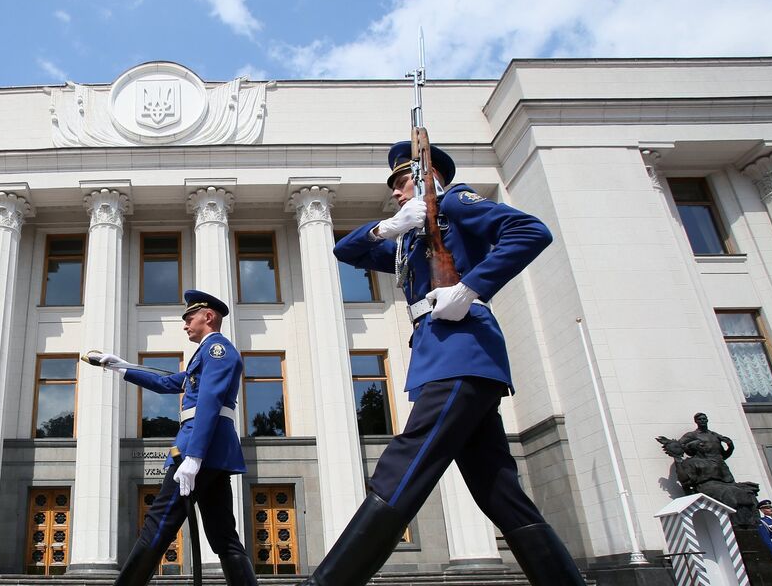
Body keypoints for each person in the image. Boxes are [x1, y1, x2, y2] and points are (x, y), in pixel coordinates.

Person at [304, 141, 584, 586]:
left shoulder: (455, 203)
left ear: (428, 176)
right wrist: (390, 227)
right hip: (443, 356)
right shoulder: (411, 235)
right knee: (500, 493)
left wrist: (470, 287)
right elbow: (346, 252)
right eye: (393, 186)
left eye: (402, 182)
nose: (396, 192)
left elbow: (531, 232)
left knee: (404, 462)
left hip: (462, 353)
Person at [96, 290, 258, 586]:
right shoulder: (205, 356)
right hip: (214, 452)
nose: (185, 325)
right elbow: (167, 382)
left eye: (189, 318)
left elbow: (209, 402)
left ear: (208, 317)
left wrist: (194, 456)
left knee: (158, 524)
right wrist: (121, 367)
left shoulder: (217, 351)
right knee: (224, 536)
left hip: (199, 448)